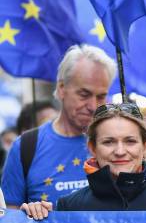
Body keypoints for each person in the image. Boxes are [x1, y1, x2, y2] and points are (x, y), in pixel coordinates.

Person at [20, 103, 146, 220]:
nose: (120, 151)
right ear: (92, 148)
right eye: (108, 142)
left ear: (145, 146)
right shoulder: (69, 207)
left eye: (130, 141)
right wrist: (33, 218)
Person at [2, 45, 116, 207]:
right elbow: (10, 219)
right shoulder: (26, 146)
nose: (92, 105)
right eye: (84, 94)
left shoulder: (119, 145)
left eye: (101, 97)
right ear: (62, 89)